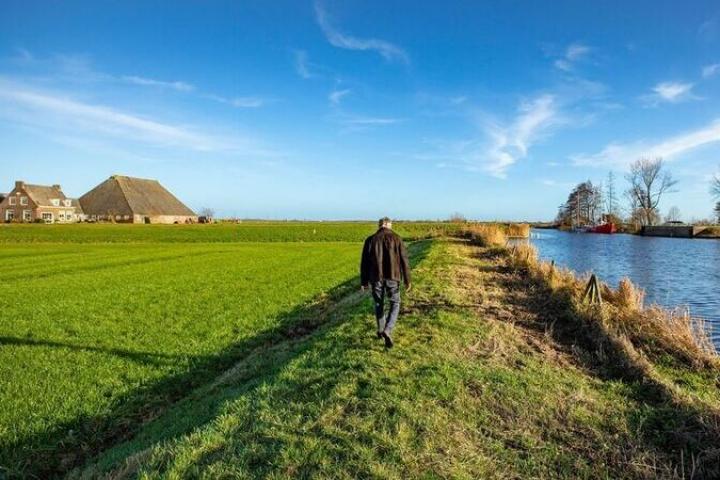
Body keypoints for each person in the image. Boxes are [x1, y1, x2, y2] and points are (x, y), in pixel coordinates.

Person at [360, 217, 411, 348]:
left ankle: (381, 329)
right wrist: (407, 280)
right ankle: (387, 330)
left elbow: (364, 263)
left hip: (375, 277)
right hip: (393, 277)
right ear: (390, 225)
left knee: (378, 303)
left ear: (379, 225)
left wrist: (364, 281)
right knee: (395, 302)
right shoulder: (397, 238)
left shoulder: (370, 240)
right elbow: (404, 260)